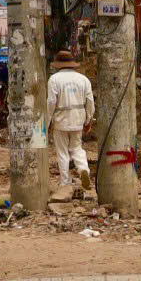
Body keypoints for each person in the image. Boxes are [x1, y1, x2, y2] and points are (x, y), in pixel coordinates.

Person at [47, 50, 96, 196]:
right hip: (78, 119)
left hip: (61, 121)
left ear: (58, 64)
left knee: (62, 152)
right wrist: (89, 120)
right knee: (76, 148)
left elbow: (51, 103)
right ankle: (83, 170)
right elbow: (90, 102)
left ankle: (65, 182)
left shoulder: (54, 79)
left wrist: (47, 123)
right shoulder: (83, 79)